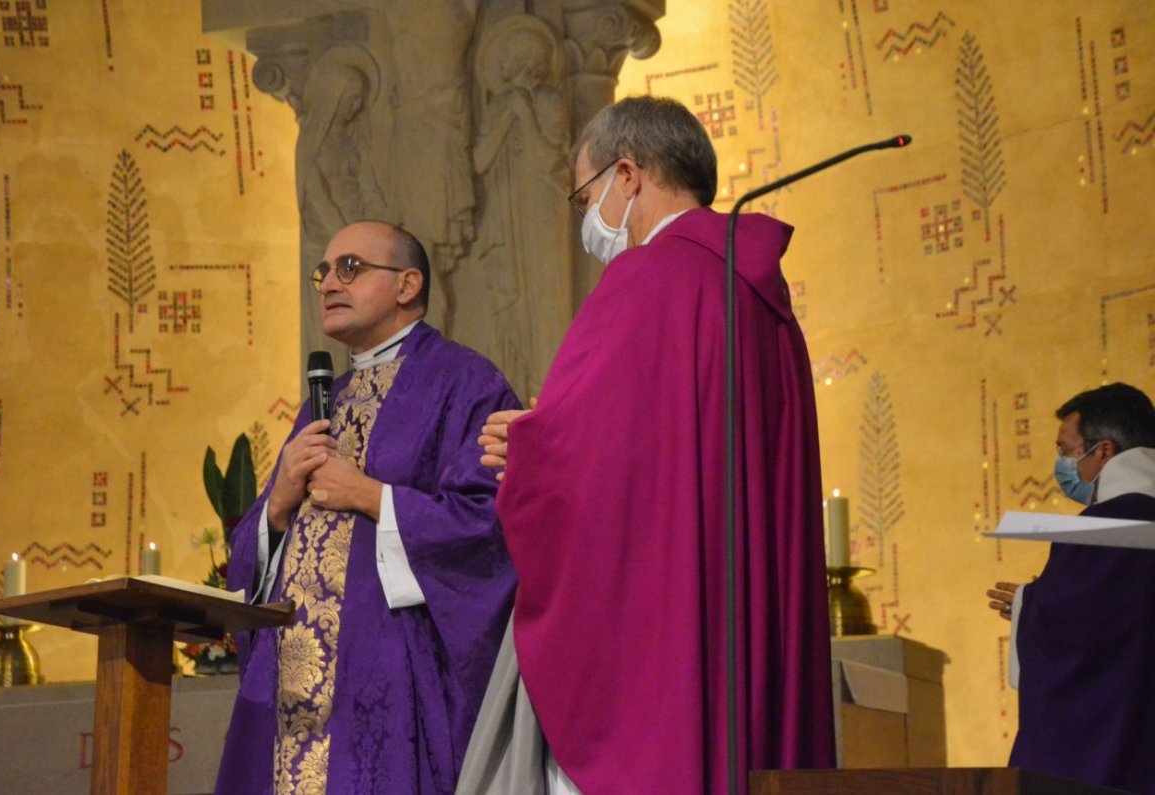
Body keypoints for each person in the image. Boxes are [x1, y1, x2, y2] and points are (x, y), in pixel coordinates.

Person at [462, 96, 835, 794]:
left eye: (584, 194)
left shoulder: (643, 278)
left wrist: (530, 448)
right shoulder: (762, 295)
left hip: (662, 633)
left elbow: (599, 469)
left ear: (626, 175)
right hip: (746, 612)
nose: (587, 219)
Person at [215, 221, 520, 795]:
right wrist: (277, 507)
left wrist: (371, 496)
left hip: (386, 676)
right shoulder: (324, 400)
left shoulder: (464, 382)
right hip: (288, 681)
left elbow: (490, 528)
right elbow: (255, 552)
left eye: (349, 268)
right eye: (323, 272)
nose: (329, 281)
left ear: (407, 284)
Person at [986, 382, 1155, 794]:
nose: (1063, 464)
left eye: (1067, 450)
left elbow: (1078, 628)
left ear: (1104, 451)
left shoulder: (1098, 530)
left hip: (1116, 750)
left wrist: (1030, 603)